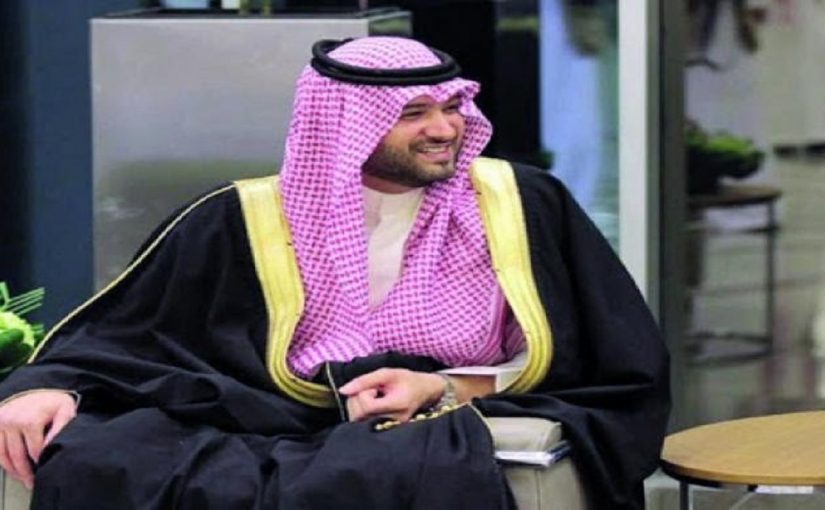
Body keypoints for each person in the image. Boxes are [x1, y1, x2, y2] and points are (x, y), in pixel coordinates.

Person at [0, 37, 669, 509]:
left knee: (379, 471)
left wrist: (442, 387)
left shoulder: (521, 204)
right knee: (104, 456)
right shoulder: (240, 217)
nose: (445, 129)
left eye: (451, 107)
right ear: (347, 124)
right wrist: (44, 386)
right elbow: (124, 336)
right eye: (414, 114)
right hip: (262, 418)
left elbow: (607, 359)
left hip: (425, 424)